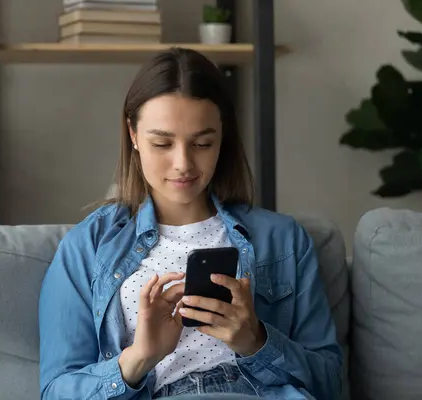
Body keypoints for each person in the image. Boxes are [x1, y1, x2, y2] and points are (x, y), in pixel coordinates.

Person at [38, 47, 342, 400]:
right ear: (133, 135)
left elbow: (330, 383)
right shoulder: (87, 247)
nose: (183, 163)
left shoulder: (283, 240)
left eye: (202, 143)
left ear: (222, 139)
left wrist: (256, 341)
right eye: (162, 143)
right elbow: (57, 392)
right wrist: (139, 358)